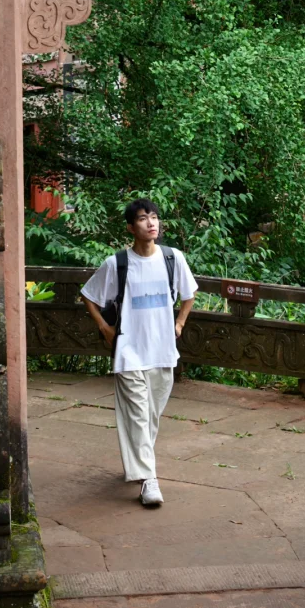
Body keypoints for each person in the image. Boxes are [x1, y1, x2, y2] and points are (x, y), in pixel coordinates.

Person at [80, 198, 197, 507]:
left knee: (150, 417)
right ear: (131, 227)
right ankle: (148, 480)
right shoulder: (117, 263)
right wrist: (104, 327)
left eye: (154, 217)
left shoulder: (173, 258)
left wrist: (180, 323)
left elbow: (189, 294)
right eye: (143, 218)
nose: (151, 223)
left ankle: (138, 463)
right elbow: (88, 295)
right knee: (137, 415)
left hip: (162, 351)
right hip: (129, 351)